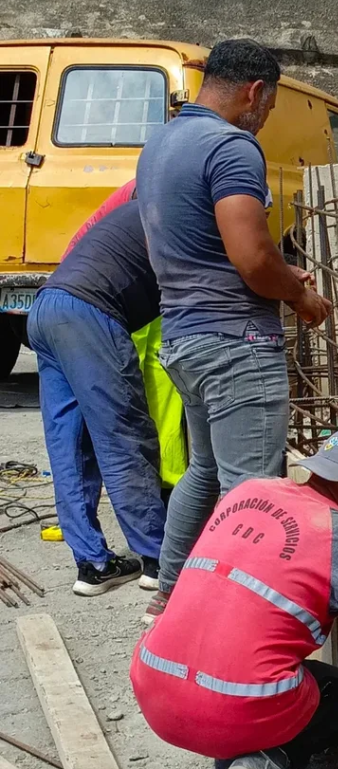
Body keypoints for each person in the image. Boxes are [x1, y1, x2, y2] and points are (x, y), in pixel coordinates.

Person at [136, 39, 332, 622]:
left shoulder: (160, 145)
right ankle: (228, 618)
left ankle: (170, 596)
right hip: (236, 343)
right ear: (255, 92)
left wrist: (267, 269)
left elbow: (189, 248)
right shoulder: (231, 147)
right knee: (251, 491)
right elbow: (250, 259)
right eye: (269, 108)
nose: (265, 119)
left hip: (185, 332)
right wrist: (299, 294)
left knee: (205, 471)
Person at [130, 427, 338, 769]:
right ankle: (266, 759)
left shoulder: (247, 491)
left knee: (258, 662)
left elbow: (288, 552)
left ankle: (240, 747)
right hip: (227, 710)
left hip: (154, 684)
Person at [27, 183, 166, 595]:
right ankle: (158, 559)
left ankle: (93, 564)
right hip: (88, 313)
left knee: (70, 446)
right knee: (123, 437)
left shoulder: (128, 210)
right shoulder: (172, 215)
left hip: (46, 308)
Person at [63, 181, 188, 505]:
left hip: (103, 290)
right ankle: (159, 487)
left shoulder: (154, 179)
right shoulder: (152, 192)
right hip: (117, 298)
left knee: (151, 393)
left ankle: (159, 485)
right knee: (143, 397)